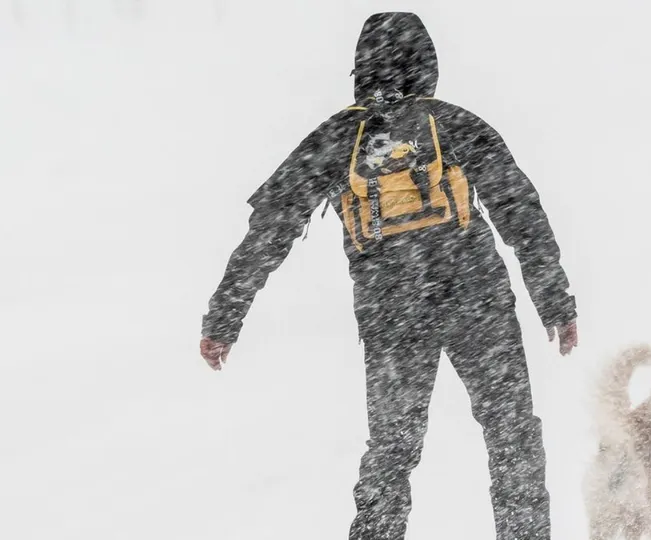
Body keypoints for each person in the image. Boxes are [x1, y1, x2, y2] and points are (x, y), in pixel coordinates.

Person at [198, 12, 578, 540]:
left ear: (360, 70)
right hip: (477, 298)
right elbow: (520, 209)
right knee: (511, 433)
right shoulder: (452, 122)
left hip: (391, 311)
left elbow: (270, 228)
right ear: (427, 65)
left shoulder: (336, 138)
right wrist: (556, 302)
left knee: (393, 446)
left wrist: (225, 316)